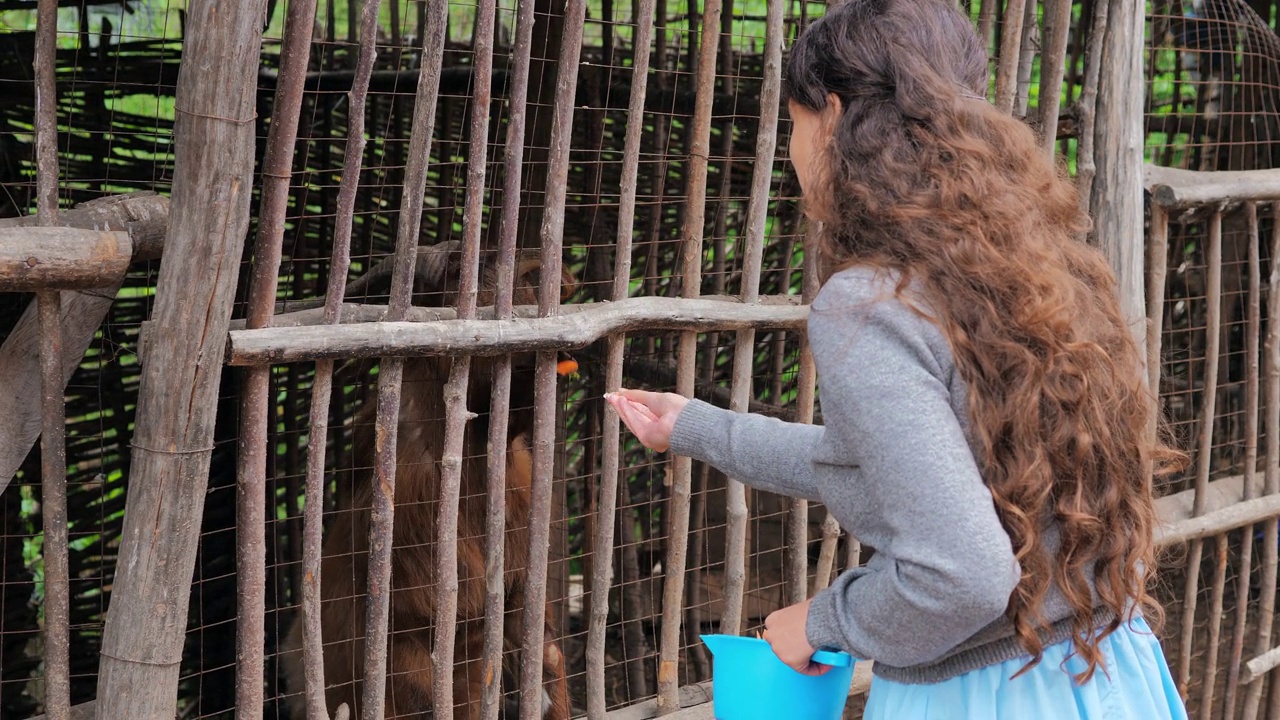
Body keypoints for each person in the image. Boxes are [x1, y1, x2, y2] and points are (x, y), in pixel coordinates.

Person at [603, 0, 1190, 717]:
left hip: (987, 697)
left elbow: (964, 572)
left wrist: (821, 619)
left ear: (835, 117)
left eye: (792, 123)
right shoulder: (1043, 274)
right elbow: (909, 467)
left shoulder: (870, 303)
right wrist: (693, 427)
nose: (791, 150)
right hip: (1103, 670)